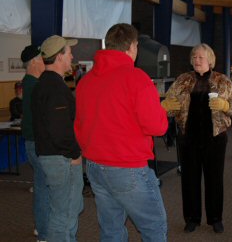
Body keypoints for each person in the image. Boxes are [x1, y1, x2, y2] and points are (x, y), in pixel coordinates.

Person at [74, 23, 168, 242]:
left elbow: (80, 125)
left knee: (111, 227)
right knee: (154, 226)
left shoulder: (85, 81)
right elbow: (157, 127)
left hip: (95, 166)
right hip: (128, 167)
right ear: (133, 47)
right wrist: (161, 110)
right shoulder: (137, 78)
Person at [161, 43, 232, 233]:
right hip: (188, 138)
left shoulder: (222, 81)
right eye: (194, 57)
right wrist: (167, 107)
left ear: (210, 60)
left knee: (214, 180)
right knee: (189, 180)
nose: (197, 60)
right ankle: (192, 218)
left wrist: (224, 105)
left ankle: (215, 218)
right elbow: (169, 105)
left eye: (201, 57)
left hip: (215, 138)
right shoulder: (183, 80)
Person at [31, 35, 83, 242]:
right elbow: (59, 130)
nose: (72, 56)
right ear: (59, 56)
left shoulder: (44, 84)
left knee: (67, 209)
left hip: (52, 155)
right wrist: (75, 154)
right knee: (63, 213)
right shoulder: (54, 88)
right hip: (61, 158)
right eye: (69, 53)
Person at [20, 45, 48, 241]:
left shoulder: (30, 82)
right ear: (34, 62)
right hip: (38, 144)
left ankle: (41, 228)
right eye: (41, 58)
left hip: (33, 143)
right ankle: (45, 233)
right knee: (45, 190)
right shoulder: (34, 85)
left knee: (41, 187)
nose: (44, 61)